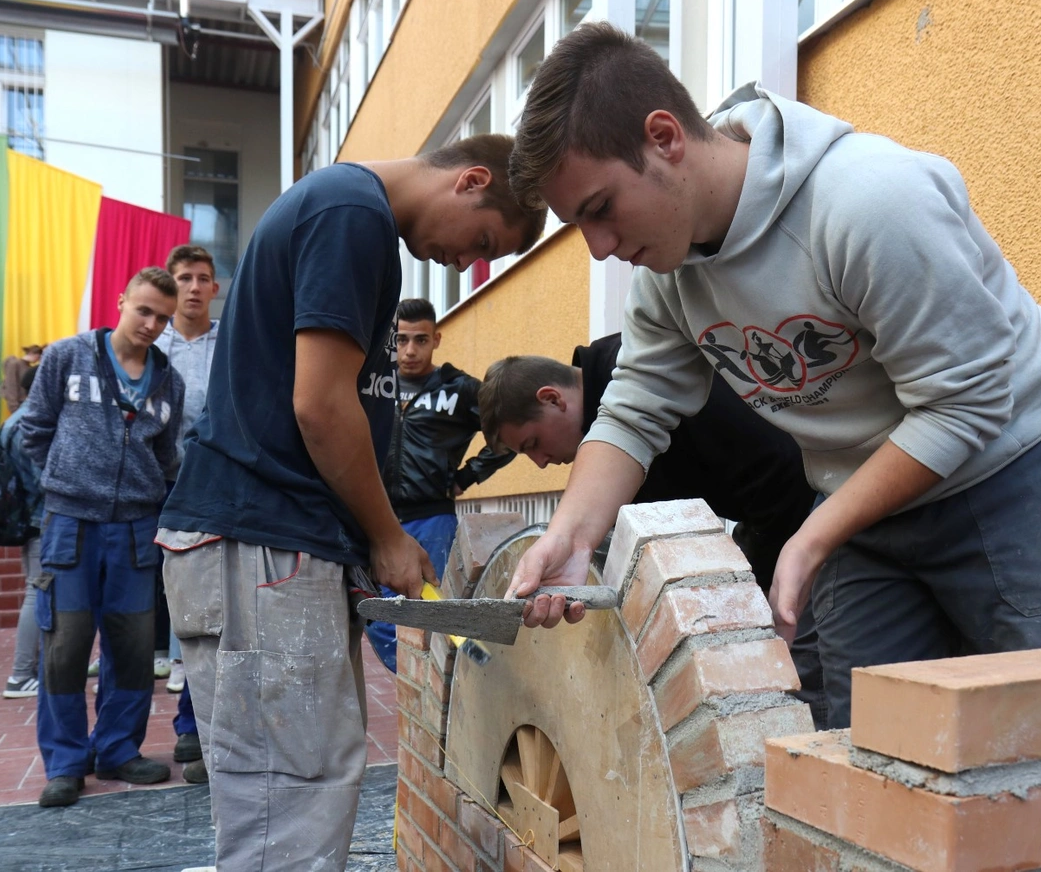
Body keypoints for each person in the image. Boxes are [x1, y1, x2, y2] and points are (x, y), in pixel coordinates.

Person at [501, 22, 1041, 730]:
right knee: (874, 758)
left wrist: (810, 537)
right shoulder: (667, 274)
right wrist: (570, 535)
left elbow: (965, 404)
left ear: (665, 138)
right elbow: (631, 414)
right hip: (864, 501)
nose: (599, 249)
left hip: (1018, 470)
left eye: (601, 209)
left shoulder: (867, 201)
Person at [156, 133, 546, 872]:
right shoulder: (350, 213)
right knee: (289, 816)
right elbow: (322, 408)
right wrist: (388, 535)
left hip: (268, 546)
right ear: (471, 181)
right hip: (259, 546)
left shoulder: (351, 215)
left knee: (292, 803)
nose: (468, 263)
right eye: (483, 242)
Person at [480, 333, 826, 723]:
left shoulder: (645, 365)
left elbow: (781, 467)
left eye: (532, 444)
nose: (540, 463)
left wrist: (761, 582)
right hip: (778, 517)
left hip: (824, 504)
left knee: (805, 674)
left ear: (552, 399)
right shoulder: (614, 429)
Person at [16, 267, 185, 807]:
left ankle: (117, 750)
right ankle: (65, 762)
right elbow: (34, 428)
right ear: (121, 301)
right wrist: (65, 481)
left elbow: (166, 459)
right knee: (65, 649)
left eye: (163, 317)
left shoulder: (168, 381)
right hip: (70, 525)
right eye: (144, 311)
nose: (152, 324)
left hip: (136, 529)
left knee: (133, 650)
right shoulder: (68, 357)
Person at [365, 297, 515, 672]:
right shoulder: (375, 385)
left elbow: (508, 432)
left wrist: (467, 476)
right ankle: (414, 684)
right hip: (373, 517)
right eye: (401, 341)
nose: (410, 350)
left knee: (433, 614)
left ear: (437, 338)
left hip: (431, 519)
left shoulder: (461, 388)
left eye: (421, 340)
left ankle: (436, 695)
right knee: (376, 614)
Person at [153, 244, 222, 786]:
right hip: (152, 488)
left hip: (211, 489)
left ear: (214, 288)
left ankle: (192, 726)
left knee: (205, 608)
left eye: (203, 278)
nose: (194, 287)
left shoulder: (232, 342)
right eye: (184, 278)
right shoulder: (154, 344)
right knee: (163, 609)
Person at [1, 365, 43, 699]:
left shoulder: (13, 420)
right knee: (37, 592)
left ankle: (30, 671)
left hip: (26, 517)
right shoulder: (30, 422)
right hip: (40, 517)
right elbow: (43, 477)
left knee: (38, 590)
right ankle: (20, 675)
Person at [0, 344, 43, 414]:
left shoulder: (28, 367)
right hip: (18, 404)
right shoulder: (14, 364)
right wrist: (13, 406)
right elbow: (11, 385)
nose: (37, 360)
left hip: (25, 402)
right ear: (35, 355)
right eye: (38, 357)